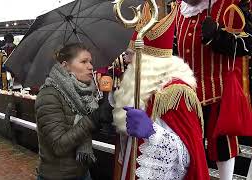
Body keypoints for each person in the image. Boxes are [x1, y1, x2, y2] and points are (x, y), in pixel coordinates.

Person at [112, 2, 209, 179]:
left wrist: (152, 132)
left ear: (148, 61)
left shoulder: (177, 92)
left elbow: (189, 157)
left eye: (130, 55)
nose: (126, 60)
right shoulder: (138, 87)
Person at [176, 0, 252, 179]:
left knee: (222, 145)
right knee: (188, 143)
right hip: (186, 92)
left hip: (218, 92)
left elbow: (248, 44)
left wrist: (218, 34)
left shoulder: (231, 4)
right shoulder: (178, 8)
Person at [35, 43, 113, 180]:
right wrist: (93, 119)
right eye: (83, 61)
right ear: (65, 66)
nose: (90, 66)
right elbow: (58, 145)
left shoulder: (85, 95)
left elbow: (83, 130)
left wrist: (103, 116)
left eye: (90, 62)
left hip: (82, 172)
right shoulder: (49, 95)